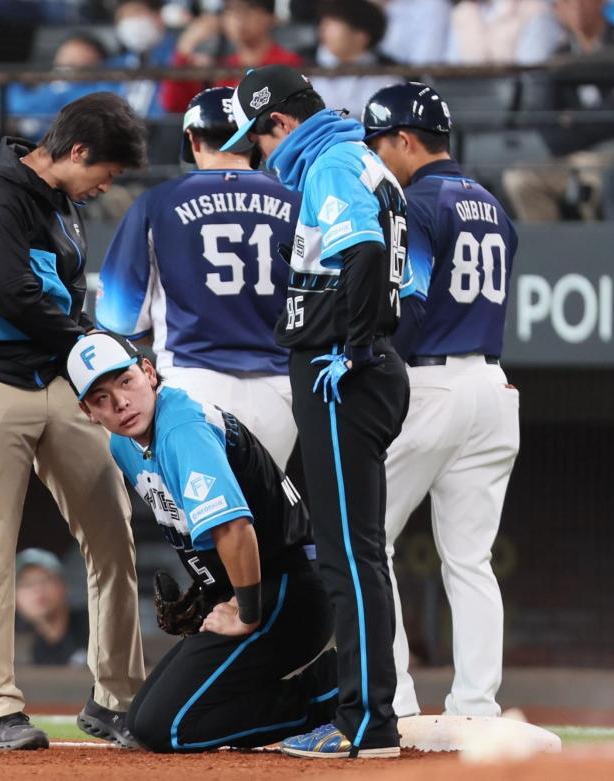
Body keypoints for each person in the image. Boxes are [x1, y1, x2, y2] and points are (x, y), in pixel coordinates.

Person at [0, 92, 149, 751]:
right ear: (76, 151)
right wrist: (100, 346)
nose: (106, 186)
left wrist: (94, 349)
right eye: (104, 172)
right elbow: (9, 288)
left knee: (113, 533)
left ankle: (118, 697)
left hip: (58, 381)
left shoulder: (61, 201)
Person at [220, 65, 410, 759]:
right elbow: (405, 281)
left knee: (348, 557)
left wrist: (355, 348)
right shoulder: (363, 159)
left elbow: (362, 252)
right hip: (356, 367)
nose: (259, 154)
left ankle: (365, 722)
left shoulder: (331, 162)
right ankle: (368, 715)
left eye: (258, 138)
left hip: (341, 373)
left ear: (281, 124)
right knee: (354, 551)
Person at [65, 331, 337, 752]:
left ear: (148, 372)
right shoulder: (124, 443)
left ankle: (335, 690)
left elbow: (234, 528)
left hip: (288, 591)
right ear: (87, 411)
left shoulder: (181, 428)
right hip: (261, 584)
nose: (119, 402)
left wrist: (244, 612)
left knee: (166, 728)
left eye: (124, 381)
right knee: (141, 719)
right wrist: (211, 593)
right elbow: (195, 525)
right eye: (100, 397)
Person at [362, 82, 520, 718]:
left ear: (404, 139)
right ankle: (476, 706)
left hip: (429, 385)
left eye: (378, 142)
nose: (374, 155)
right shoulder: (493, 203)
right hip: (491, 382)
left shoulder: (413, 202)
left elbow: (411, 306)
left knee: (368, 540)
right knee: (471, 559)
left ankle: (394, 701)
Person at [96, 86, 301, 469]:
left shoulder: (158, 202)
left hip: (195, 379)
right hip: (281, 387)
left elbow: (118, 318)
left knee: (204, 517)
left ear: (191, 138)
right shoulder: (298, 199)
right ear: (254, 139)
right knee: (266, 520)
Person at [502, 0, 614, 221]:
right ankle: (549, 252)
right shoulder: (557, 57)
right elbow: (552, 134)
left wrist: (573, 121)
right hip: (570, 160)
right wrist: (600, 117)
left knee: (597, 181)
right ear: (557, 10)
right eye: (566, 1)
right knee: (520, 178)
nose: (576, 7)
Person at [160, 0, 302, 114]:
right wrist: (185, 49)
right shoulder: (220, 68)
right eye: (232, 10)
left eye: (249, 9)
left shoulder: (288, 63)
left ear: (269, 16)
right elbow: (174, 104)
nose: (239, 18)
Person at [307, 0, 400, 120]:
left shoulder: (387, 81)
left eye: (333, 21)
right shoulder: (308, 73)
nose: (323, 28)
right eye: (324, 22)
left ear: (361, 35)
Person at [15, 548, 87, 667]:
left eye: (45, 579)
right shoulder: (19, 651)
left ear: (64, 586)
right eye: (27, 584)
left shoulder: (97, 629)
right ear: (16, 600)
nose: (38, 590)